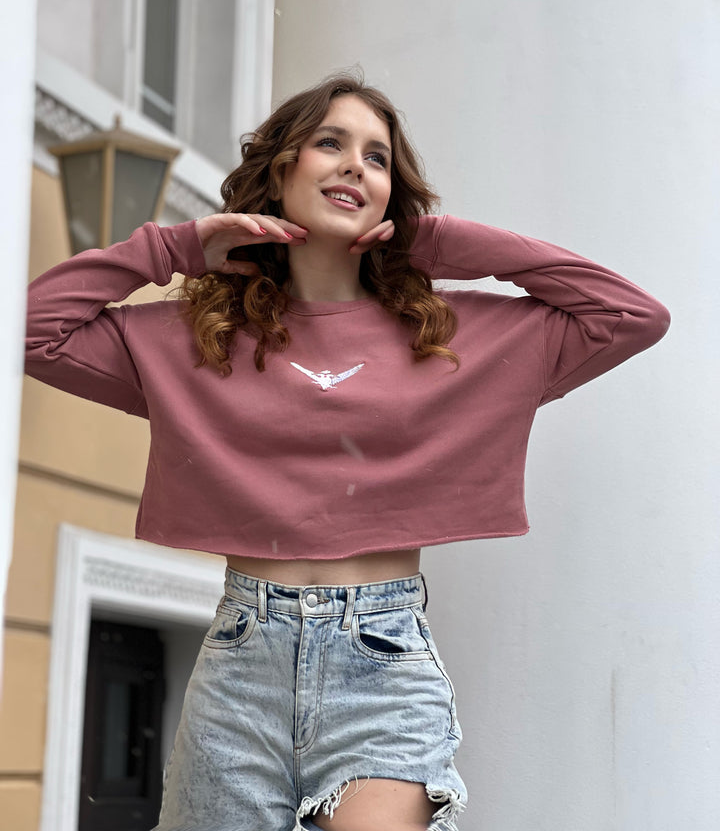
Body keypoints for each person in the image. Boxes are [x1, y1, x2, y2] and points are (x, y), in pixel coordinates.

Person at [25, 72, 670, 831]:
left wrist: (446, 243)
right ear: (281, 169)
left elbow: (631, 314)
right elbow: (34, 330)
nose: (355, 166)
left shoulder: (450, 337)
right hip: (241, 663)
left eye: (377, 157)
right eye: (330, 142)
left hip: (381, 660)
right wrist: (178, 245)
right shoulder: (194, 338)